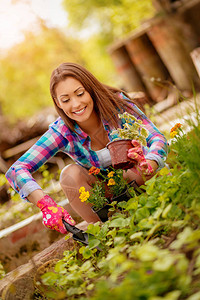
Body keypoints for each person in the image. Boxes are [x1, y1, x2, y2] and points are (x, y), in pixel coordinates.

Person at [5, 62, 168, 233]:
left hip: (143, 177)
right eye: (66, 100)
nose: (75, 104)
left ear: (90, 89)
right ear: (58, 103)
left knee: (130, 165)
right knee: (69, 175)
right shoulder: (62, 131)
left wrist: (150, 161)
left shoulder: (117, 104)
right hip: (106, 197)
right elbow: (17, 169)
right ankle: (106, 232)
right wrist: (45, 204)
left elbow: (156, 137)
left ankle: (154, 209)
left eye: (80, 94)